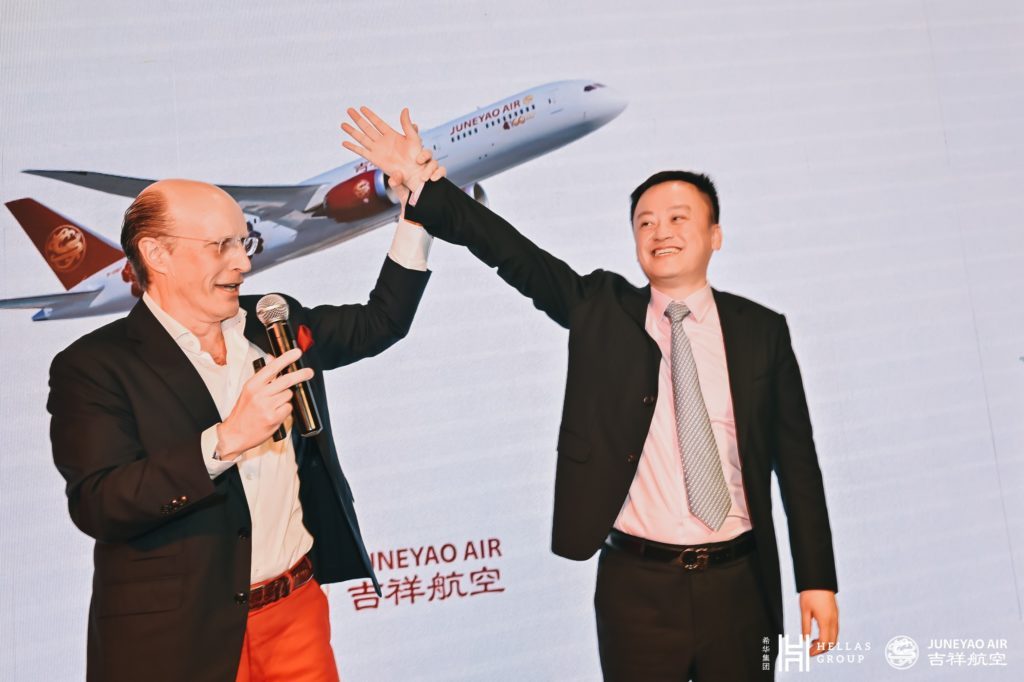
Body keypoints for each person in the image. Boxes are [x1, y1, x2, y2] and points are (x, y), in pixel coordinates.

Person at [341, 107, 839, 680]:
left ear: (714, 235)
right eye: (645, 222)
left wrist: (817, 580)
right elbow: (515, 254)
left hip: (741, 585)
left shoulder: (761, 330)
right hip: (638, 588)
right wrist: (430, 188)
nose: (660, 232)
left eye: (678, 218)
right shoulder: (604, 311)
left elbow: (798, 467)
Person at [48, 160, 441, 681]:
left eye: (243, 243)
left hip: (295, 610)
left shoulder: (275, 320)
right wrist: (225, 441)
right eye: (221, 247)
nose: (243, 264)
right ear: (156, 253)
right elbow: (100, 503)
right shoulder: (94, 366)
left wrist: (417, 213)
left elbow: (380, 322)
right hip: (180, 635)